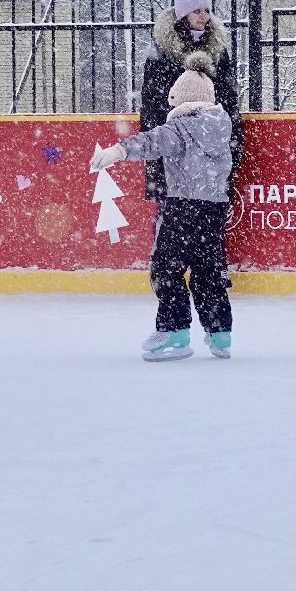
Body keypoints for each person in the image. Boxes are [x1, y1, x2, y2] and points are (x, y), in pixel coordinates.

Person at [91, 53, 234, 361]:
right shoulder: (222, 128)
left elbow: (151, 141)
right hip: (213, 209)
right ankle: (220, 333)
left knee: (166, 266)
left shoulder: (181, 128)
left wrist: (117, 151)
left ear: (180, 102)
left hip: (183, 207)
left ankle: (174, 331)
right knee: (208, 270)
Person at [141, 0, 243, 202]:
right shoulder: (162, 52)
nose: (204, 16)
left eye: (206, 10)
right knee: (175, 220)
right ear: (183, 14)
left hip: (209, 145)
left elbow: (228, 97)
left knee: (208, 222)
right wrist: (155, 160)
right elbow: (151, 102)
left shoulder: (217, 49)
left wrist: (234, 141)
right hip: (176, 145)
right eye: (197, 11)